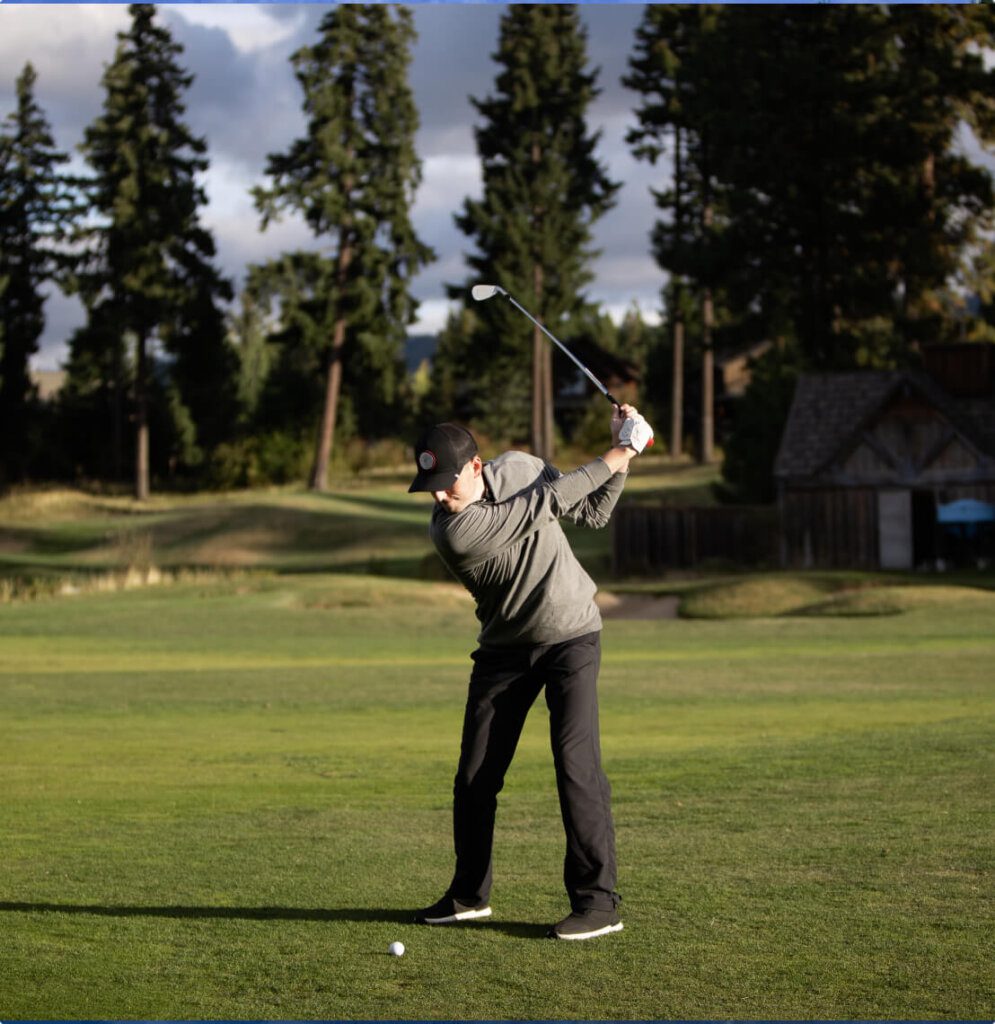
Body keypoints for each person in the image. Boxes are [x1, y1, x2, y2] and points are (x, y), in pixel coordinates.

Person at [406, 403, 652, 941]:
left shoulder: (519, 466)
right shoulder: (454, 533)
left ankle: (598, 903)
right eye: (430, 487)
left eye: (446, 482)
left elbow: (590, 512)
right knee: (474, 778)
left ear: (475, 466)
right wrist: (623, 448)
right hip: (504, 651)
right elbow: (551, 500)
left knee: (575, 766)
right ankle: (469, 895)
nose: (438, 496)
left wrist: (622, 457)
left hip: (571, 636)